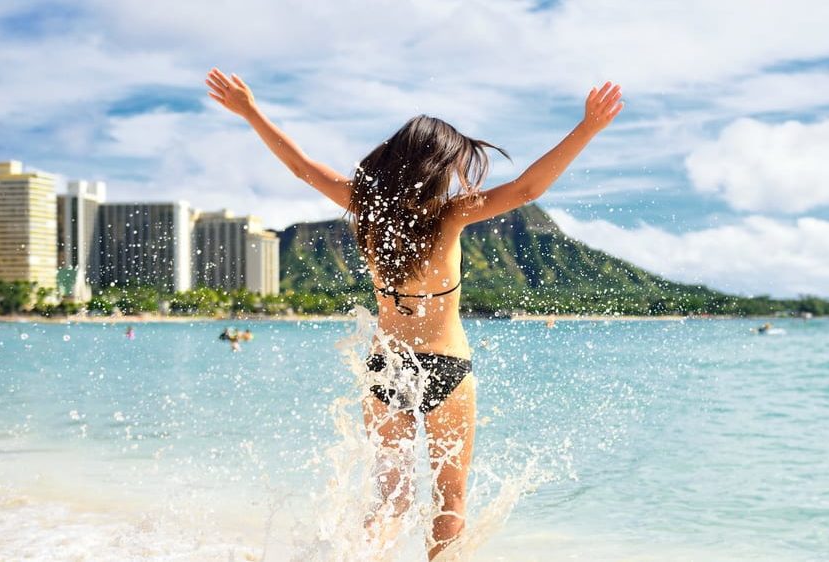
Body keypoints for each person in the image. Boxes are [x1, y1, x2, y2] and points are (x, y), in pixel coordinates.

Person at [206, 67, 622, 559]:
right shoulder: (452, 215)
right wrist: (588, 128)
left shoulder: (366, 208)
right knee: (450, 498)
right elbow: (528, 189)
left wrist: (251, 112)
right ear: (438, 166)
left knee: (391, 498)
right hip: (446, 365)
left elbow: (301, 168)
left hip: (387, 367)